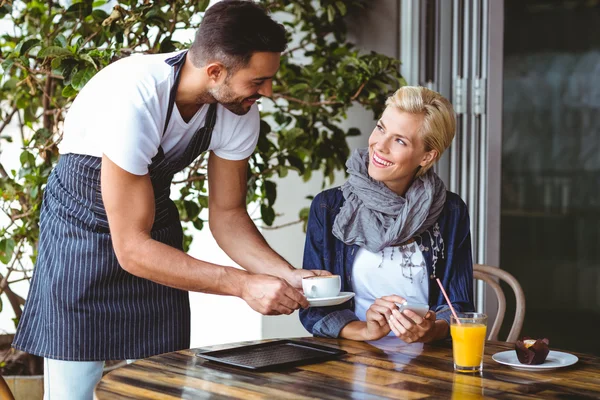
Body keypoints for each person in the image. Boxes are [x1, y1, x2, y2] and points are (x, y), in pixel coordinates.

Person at [13, 1, 326, 399]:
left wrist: (287, 274)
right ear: (215, 71)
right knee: (74, 392)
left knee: (159, 383)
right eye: (258, 81)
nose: (267, 92)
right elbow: (130, 249)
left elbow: (228, 215)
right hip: (80, 233)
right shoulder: (135, 95)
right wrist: (243, 285)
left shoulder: (236, 107)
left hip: (151, 226)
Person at [299, 86, 475, 343]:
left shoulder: (450, 212)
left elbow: (458, 306)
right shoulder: (329, 208)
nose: (379, 146)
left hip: (427, 361)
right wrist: (365, 331)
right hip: (350, 358)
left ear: (427, 156)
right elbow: (314, 309)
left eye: (400, 140)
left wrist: (430, 330)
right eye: (381, 128)